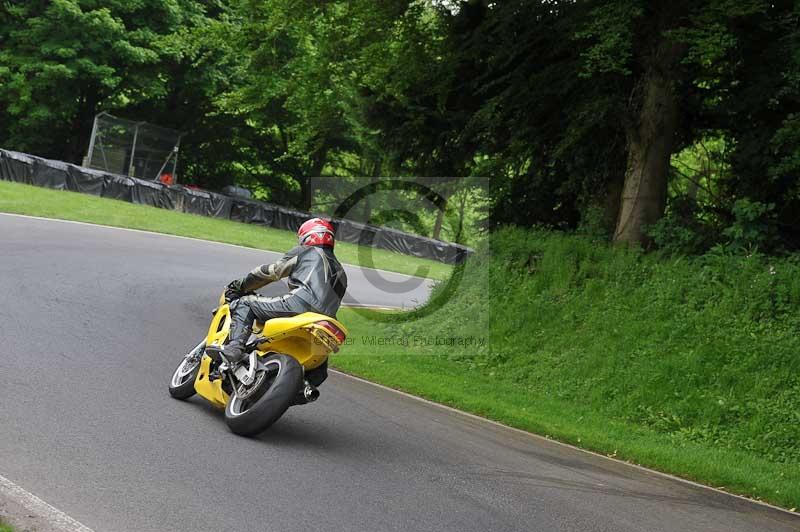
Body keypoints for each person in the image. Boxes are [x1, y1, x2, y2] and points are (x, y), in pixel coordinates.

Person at [222, 218, 348, 365]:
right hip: (326, 320)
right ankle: (307, 384)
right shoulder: (342, 272)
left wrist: (240, 286)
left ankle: (234, 347)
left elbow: (271, 272)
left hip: (300, 304)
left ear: (306, 236)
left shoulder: (304, 251)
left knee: (246, 303)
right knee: (319, 357)